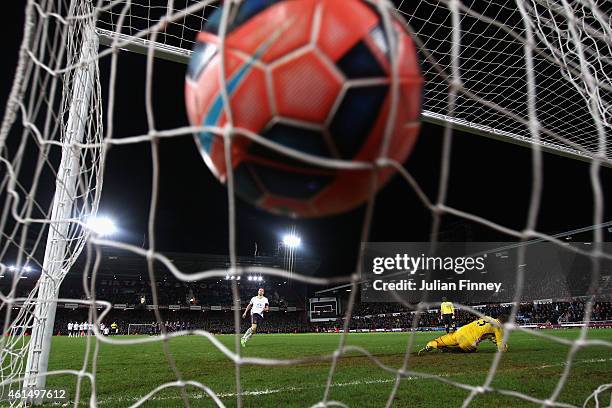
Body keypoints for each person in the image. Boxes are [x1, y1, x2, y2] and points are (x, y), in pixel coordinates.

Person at [418, 315, 508, 354]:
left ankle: (430, 345)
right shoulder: (499, 329)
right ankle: (449, 350)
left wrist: (490, 335)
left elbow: (482, 319)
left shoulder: (488, 317)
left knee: (438, 340)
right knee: (471, 350)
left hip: (460, 331)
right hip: (468, 342)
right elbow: (501, 348)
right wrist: (501, 344)